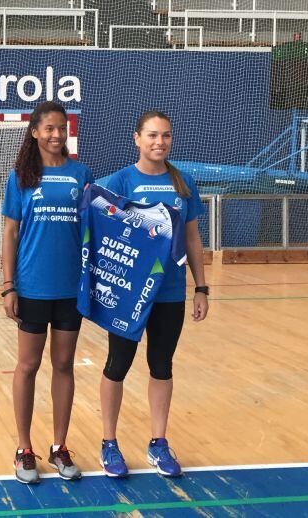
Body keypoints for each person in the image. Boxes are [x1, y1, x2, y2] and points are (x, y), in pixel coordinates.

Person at [98, 110, 209, 478]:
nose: (159, 142)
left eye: (165, 136)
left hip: (169, 293)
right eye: (151, 135)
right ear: (137, 138)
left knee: (162, 366)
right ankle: (109, 444)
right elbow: (97, 218)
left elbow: (192, 238)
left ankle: (158, 443)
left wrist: (201, 287)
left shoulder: (183, 183)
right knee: (117, 366)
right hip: (129, 295)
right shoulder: (121, 180)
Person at [1, 101, 91, 484]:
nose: (57, 134)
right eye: (49, 128)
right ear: (35, 132)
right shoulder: (21, 176)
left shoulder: (81, 173)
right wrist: (9, 286)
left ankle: (59, 445)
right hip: (33, 287)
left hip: (70, 288)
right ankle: (24, 449)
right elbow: (10, 233)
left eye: (62, 128)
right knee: (28, 366)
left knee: (65, 365)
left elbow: (95, 227)